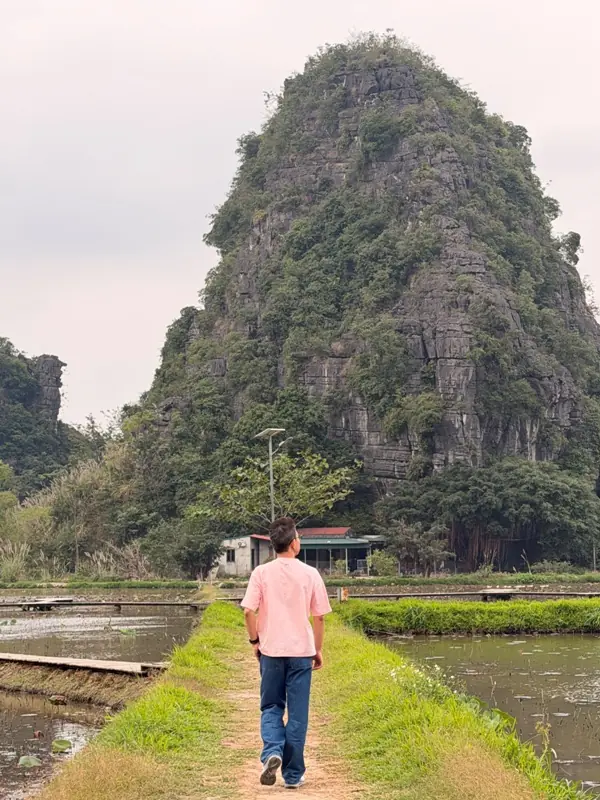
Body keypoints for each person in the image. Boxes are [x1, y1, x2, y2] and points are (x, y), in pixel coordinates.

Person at [242, 516, 332, 790]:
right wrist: (317, 651)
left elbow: (248, 611)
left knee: (271, 706)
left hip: (271, 652)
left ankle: (272, 752)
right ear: (294, 543)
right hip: (301, 653)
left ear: (273, 545)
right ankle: (293, 775)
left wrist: (255, 641)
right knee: (297, 715)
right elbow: (319, 618)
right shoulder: (310, 573)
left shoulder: (261, 573)